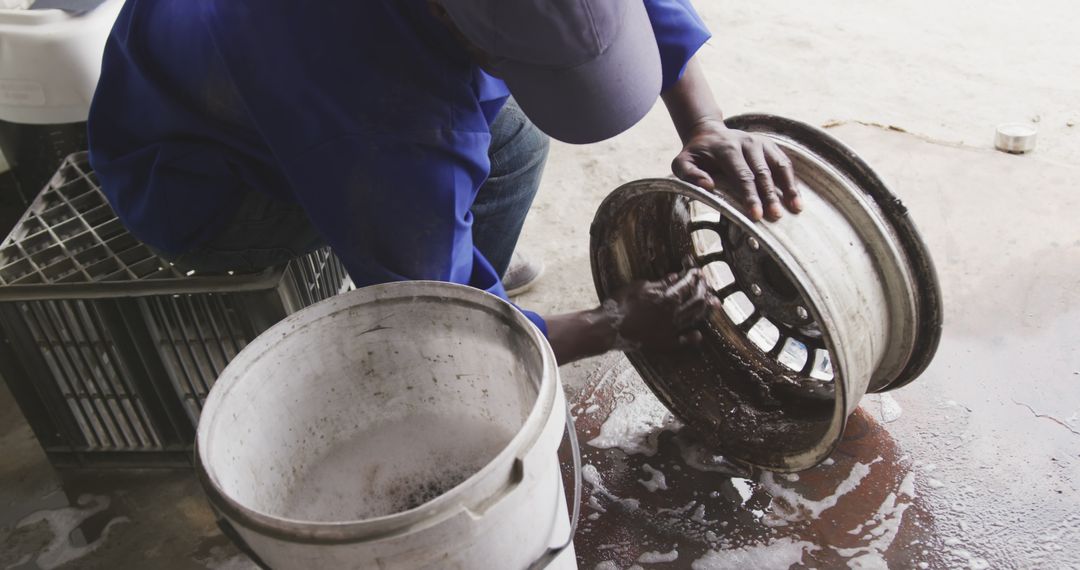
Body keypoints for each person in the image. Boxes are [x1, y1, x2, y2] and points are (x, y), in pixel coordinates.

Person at [88, 0, 800, 364]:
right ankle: (456, 272)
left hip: (217, 62)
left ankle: (457, 257)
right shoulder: (380, 110)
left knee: (506, 132)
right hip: (193, 177)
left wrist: (705, 122)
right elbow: (428, 315)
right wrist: (610, 324)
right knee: (500, 161)